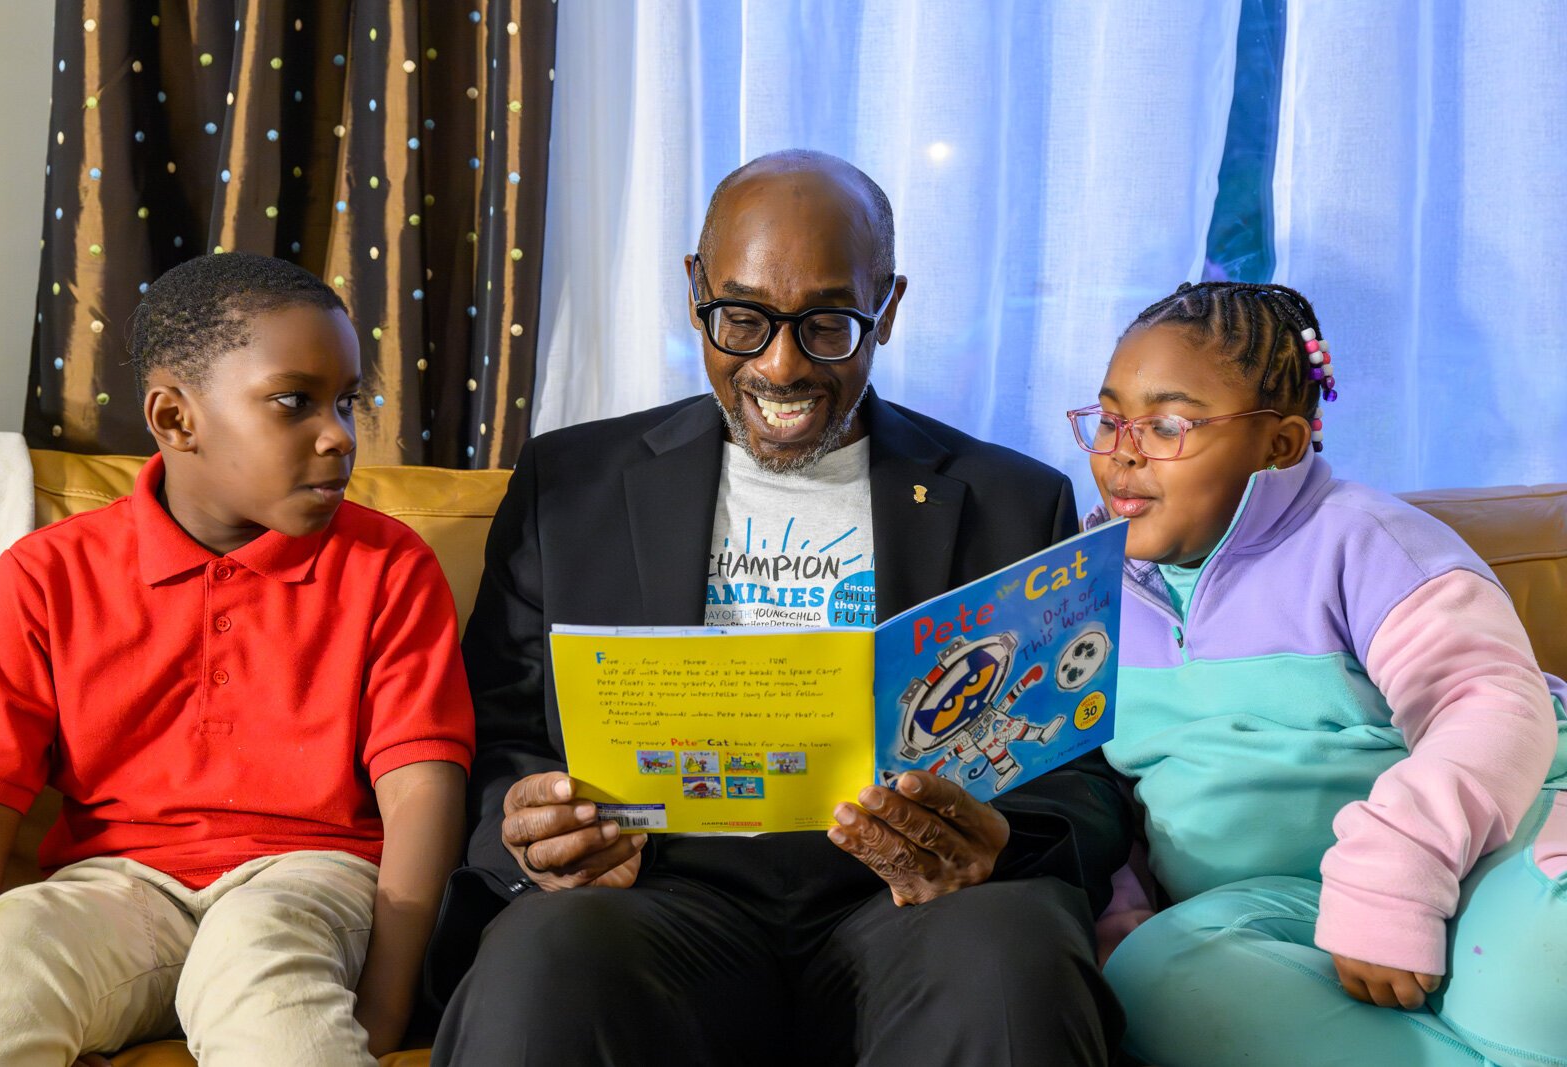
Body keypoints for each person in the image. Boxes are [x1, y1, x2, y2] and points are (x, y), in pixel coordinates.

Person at [430, 150, 1130, 1066]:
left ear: (890, 304)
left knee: (1011, 956)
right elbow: (502, 733)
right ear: (695, 291)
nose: (783, 365)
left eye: (830, 323)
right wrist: (529, 830)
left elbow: (1078, 769)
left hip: (908, 907)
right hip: (653, 900)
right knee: (541, 957)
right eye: (745, 319)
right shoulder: (571, 485)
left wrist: (997, 842)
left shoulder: (1012, 499)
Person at [0, 252, 476, 1065]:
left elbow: (422, 791)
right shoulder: (46, 574)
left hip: (314, 879)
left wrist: (385, 1006)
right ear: (175, 420)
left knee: (254, 953)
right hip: (115, 884)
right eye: (294, 402)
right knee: (3, 955)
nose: (339, 435)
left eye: (347, 401)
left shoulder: (391, 566)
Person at [1072, 280, 1567, 1066]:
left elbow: (1492, 705)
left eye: (1167, 423)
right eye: (1107, 418)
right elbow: (1102, 793)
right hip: (1265, 908)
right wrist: (1121, 914)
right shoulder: (1077, 594)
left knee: (1537, 967)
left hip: (1482, 857)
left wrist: (1395, 881)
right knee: (1150, 978)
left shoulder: (1367, 542)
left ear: (1282, 444)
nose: (1121, 451)